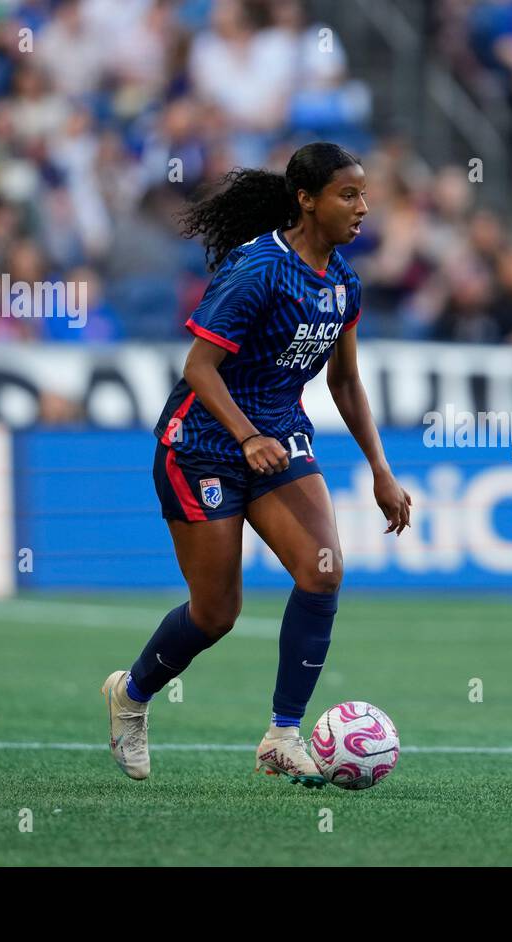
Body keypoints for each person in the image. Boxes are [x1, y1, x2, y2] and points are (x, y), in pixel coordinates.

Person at [102, 142, 412, 788]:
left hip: (279, 438)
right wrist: (244, 437)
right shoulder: (258, 270)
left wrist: (381, 468)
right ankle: (131, 695)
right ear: (307, 200)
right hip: (203, 444)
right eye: (348, 195)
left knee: (323, 570)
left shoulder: (343, 284)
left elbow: (347, 382)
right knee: (216, 613)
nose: (363, 208)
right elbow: (198, 368)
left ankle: (283, 733)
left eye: (363, 194)